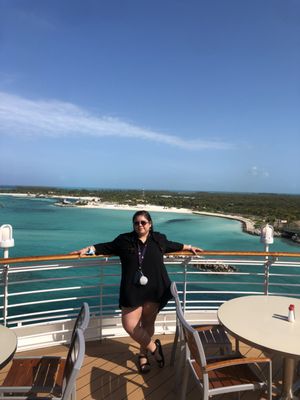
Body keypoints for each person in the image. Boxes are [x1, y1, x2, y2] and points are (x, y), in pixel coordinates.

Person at [71, 210, 202, 373]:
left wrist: (189, 247)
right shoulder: (124, 240)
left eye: (143, 222)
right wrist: (88, 249)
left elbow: (173, 245)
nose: (140, 225)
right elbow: (105, 247)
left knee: (148, 324)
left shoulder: (158, 239)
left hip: (154, 289)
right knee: (130, 325)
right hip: (131, 290)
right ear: (133, 225)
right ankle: (155, 348)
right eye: (136, 223)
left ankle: (143, 355)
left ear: (150, 224)